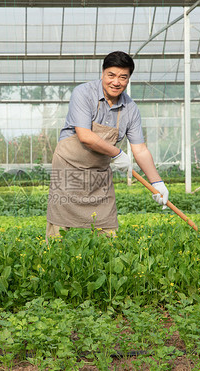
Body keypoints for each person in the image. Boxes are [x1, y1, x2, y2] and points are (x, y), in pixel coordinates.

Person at [46, 51, 169, 237]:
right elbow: (85, 135)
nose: (116, 82)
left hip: (99, 171)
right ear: (102, 73)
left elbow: (140, 149)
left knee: (107, 224)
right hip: (68, 167)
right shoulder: (83, 93)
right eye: (111, 75)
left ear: (128, 79)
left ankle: (107, 262)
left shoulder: (130, 109)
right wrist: (117, 153)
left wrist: (157, 182)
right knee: (60, 222)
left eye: (123, 77)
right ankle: (53, 258)